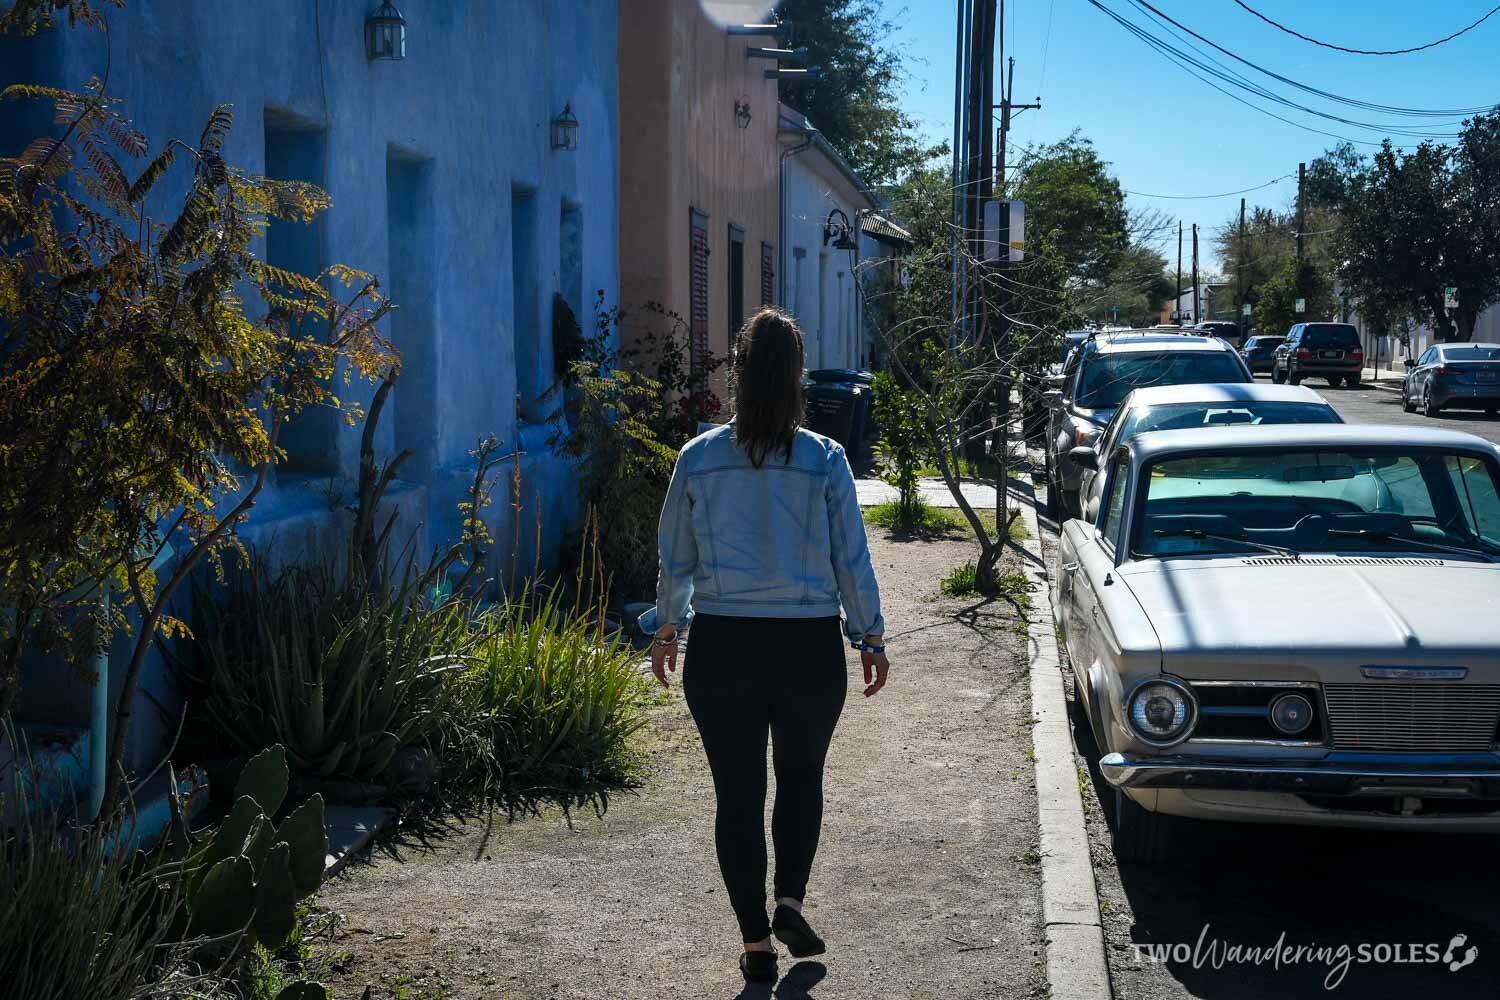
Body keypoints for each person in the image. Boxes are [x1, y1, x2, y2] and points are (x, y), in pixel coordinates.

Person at [640, 307, 890, 985]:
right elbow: (851, 559)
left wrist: (667, 628)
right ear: (800, 376)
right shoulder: (824, 458)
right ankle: (789, 901)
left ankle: (755, 943)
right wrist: (870, 635)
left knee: (738, 794)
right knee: (802, 778)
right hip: (808, 648)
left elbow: (676, 558)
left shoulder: (698, 457)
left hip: (723, 645)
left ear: (738, 372)